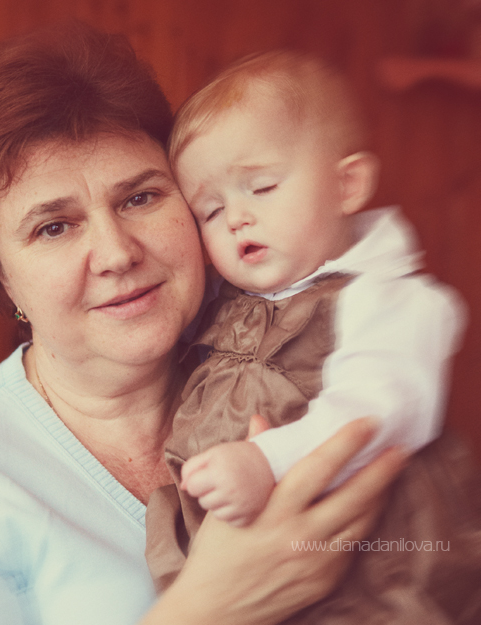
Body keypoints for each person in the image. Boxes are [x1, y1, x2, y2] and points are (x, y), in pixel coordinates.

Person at [0, 23, 406, 625]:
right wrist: (214, 605)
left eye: (140, 198)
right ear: (3, 278)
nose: (117, 253)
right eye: (54, 227)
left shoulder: (307, 364)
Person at [144, 51, 481, 621]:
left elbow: (383, 408)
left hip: (373, 566)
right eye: (210, 210)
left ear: (347, 185)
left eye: (262, 186)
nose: (236, 217)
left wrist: (269, 462)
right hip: (237, 578)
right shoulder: (230, 306)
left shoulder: (386, 296)